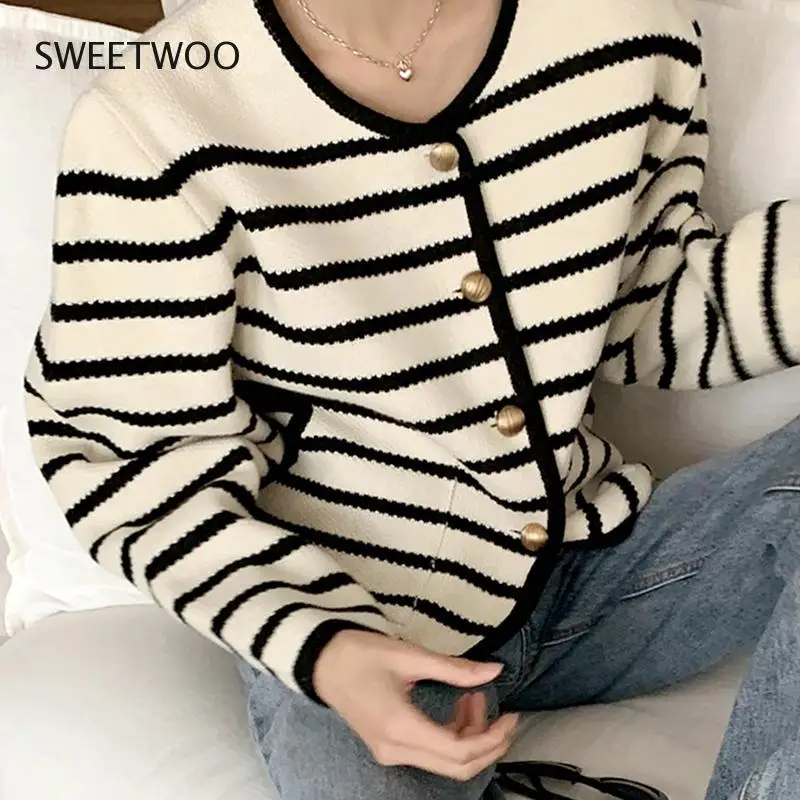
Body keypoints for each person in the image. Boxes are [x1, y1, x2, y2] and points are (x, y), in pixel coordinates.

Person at [23, 0, 800, 797]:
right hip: (350, 622)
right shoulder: (155, 118)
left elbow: (644, 311)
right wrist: (324, 650)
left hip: (595, 571)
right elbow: (127, 450)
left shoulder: (625, 33)